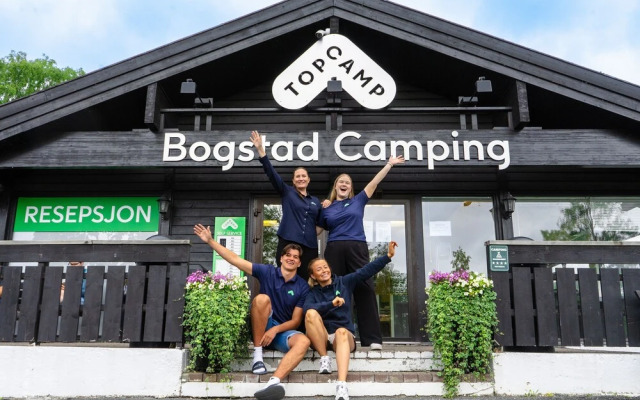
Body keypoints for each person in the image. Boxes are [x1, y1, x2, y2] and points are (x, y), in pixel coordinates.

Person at [193, 223, 310, 400]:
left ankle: (274, 382)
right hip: (263, 326)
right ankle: (257, 356)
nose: (291, 259)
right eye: (288, 255)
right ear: (281, 258)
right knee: (262, 299)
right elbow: (235, 259)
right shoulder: (267, 272)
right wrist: (210, 241)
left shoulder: (302, 286)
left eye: (295, 257)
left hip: (281, 332)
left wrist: (275, 330)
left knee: (304, 341)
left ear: (299, 262)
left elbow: (295, 321)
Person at [319, 155, 405, 349]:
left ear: (350, 188)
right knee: (335, 290)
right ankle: (335, 337)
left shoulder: (358, 200)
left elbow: (374, 182)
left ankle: (372, 339)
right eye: (341, 181)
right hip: (334, 249)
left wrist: (389, 164)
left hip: (356, 247)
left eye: (347, 182)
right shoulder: (326, 208)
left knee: (365, 287)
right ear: (335, 186)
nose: (344, 184)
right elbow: (315, 230)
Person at [304, 241, 398, 400]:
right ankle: (324, 358)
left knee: (341, 331)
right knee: (311, 313)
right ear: (313, 275)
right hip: (322, 336)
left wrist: (387, 256)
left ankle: (341, 386)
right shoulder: (313, 293)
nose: (324, 271)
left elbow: (365, 271)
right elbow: (307, 309)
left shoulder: (344, 282)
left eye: (325, 267)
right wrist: (331, 303)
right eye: (319, 269)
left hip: (343, 337)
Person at [250, 130, 322, 280]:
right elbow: (271, 173)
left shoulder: (315, 201)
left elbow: (321, 224)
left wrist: (328, 204)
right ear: (294, 181)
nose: (301, 178)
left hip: (310, 247)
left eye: (304, 176)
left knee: (306, 280)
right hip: (288, 241)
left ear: (308, 180)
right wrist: (261, 150)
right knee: (285, 277)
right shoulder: (287, 192)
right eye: (298, 177)